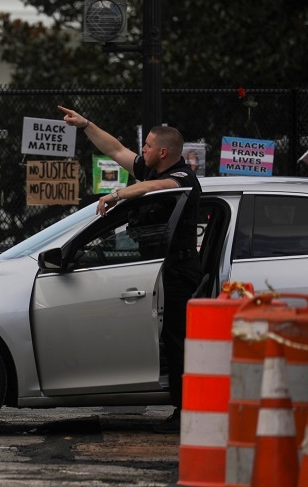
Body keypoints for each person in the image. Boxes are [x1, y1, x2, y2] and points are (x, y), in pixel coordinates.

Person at [57, 105, 202, 434]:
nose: (143, 150)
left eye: (149, 146)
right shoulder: (152, 169)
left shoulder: (181, 178)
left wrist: (117, 194)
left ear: (163, 152)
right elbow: (115, 149)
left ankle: (186, 412)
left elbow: (154, 188)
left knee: (177, 339)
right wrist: (85, 124)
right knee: (167, 337)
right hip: (160, 268)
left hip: (179, 269)